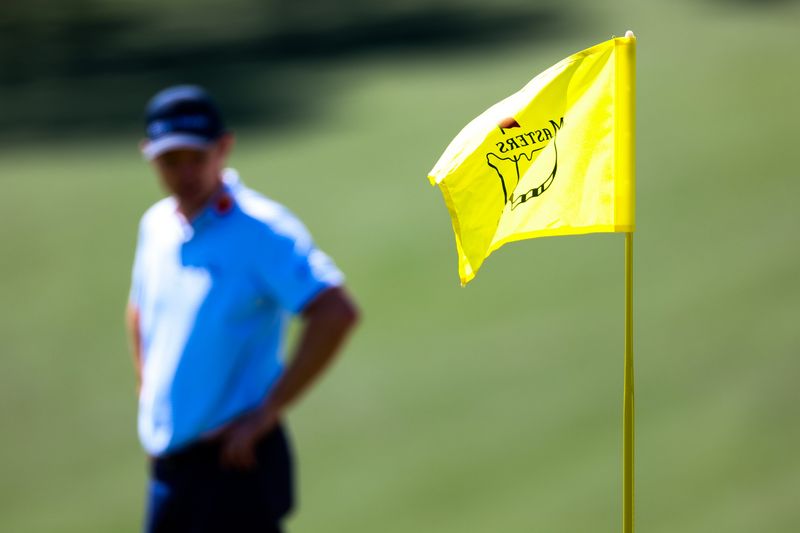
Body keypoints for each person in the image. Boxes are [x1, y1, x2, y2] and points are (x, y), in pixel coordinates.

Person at [125, 85, 359, 533]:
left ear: (224, 148)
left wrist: (266, 413)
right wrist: (149, 398)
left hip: (234, 466)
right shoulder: (155, 226)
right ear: (149, 157)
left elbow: (336, 311)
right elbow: (138, 311)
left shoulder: (261, 230)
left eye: (197, 156)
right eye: (170, 161)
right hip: (171, 469)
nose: (184, 172)